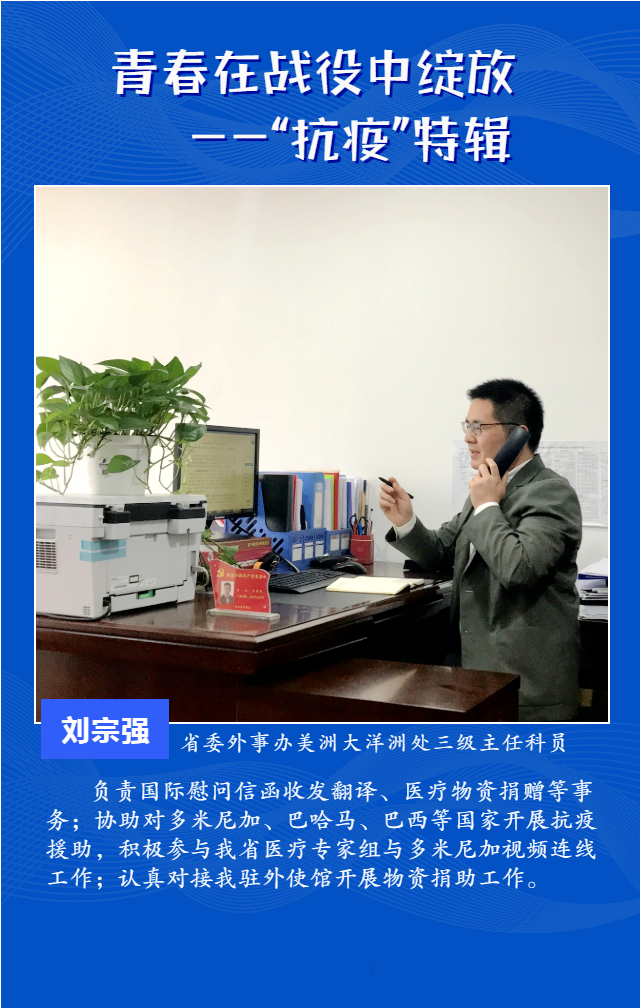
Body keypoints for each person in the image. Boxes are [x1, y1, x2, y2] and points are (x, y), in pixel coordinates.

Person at [380, 379, 582, 722]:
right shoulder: (488, 488)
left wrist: (487, 505)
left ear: (518, 434)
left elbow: (519, 569)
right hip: (473, 678)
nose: (467, 437)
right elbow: (442, 550)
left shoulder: (551, 492)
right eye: (467, 425)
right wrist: (406, 521)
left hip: (525, 689)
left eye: (478, 427)